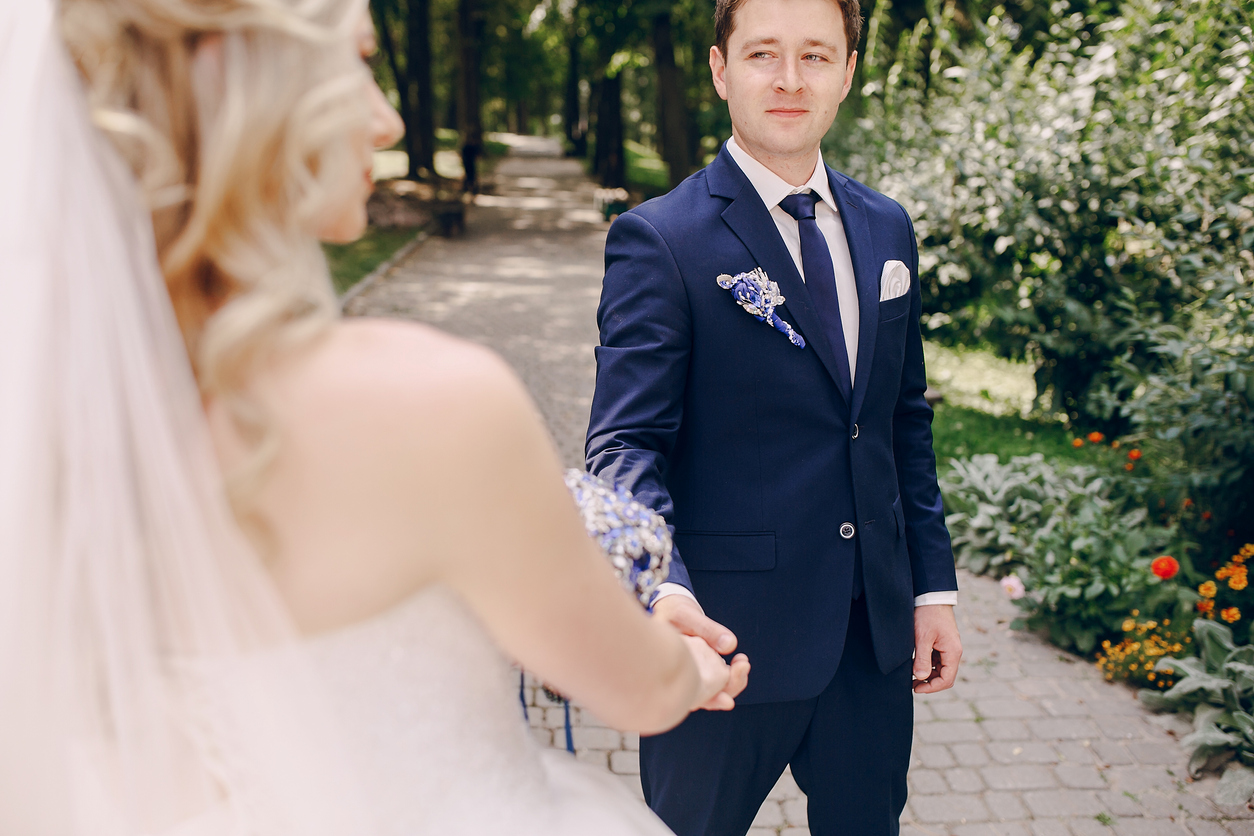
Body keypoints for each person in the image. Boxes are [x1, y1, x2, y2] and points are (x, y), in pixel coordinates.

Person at [0, 1, 749, 834]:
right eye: (357, 60)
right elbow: (638, 691)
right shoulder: (431, 403)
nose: (386, 115)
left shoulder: (43, 424)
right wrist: (688, 667)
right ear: (238, 73)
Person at [584, 0, 963, 833]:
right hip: (723, 643)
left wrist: (932, 589)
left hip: (870, 641)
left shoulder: (887, 228)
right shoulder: (660, 239)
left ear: (849, 74)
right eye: (763, 54)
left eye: (816, 57)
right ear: (721, 71)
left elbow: (902, 420)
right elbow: (624, 446)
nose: (790, 80)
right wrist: (661, 592)